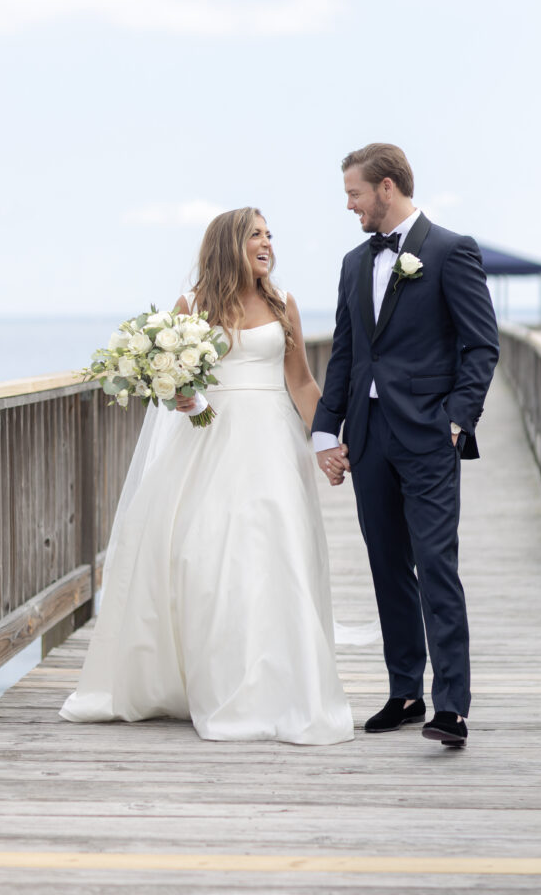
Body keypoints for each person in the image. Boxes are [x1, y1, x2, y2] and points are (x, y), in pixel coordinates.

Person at [60, 207, 354, 745]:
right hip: (209, 440)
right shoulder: (191, 308)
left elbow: (303, 383)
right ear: (228, 244)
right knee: (207, 559)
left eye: (270, 235)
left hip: (271, 446)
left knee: (275, 554)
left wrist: (328, 442)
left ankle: (277, 687)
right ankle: (211, 681)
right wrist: (180, 394)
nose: (267, 243)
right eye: (255, 235)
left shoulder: (282, 304)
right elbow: (171, 389)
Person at [312, 144, 499, 748]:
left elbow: (482, 346)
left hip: (427, 435)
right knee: (387, 566)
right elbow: (346, 353)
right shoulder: (351, 263)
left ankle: (452, 706)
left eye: (355, 194)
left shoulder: (450, 250)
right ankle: (405, 691)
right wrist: (325, 429)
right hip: (367, 439)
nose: (350, 205)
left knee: (436, 565)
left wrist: (455, 421)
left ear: (386, 188)